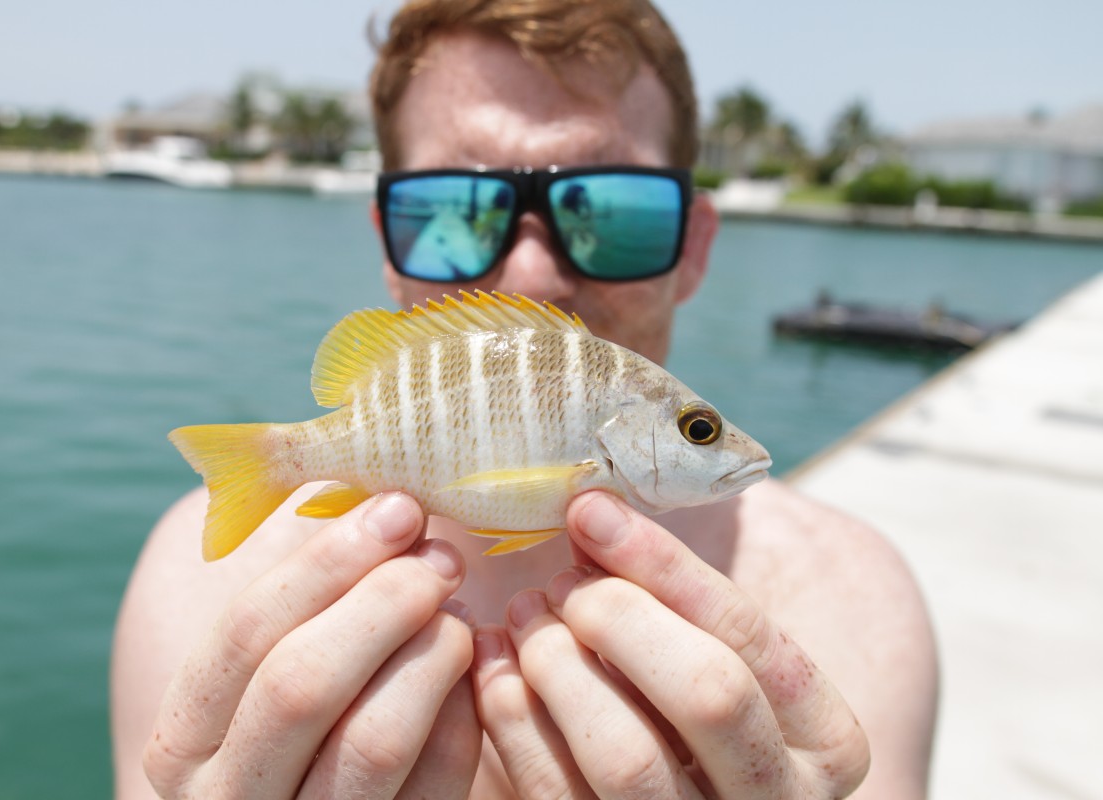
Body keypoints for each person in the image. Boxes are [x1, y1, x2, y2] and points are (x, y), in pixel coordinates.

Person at [111, 1, 938, 797]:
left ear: (693, 248)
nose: (533, 273)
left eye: (610, 213)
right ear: (389, 248)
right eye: (454, 213)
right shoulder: (199, 587)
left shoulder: (852, 606)